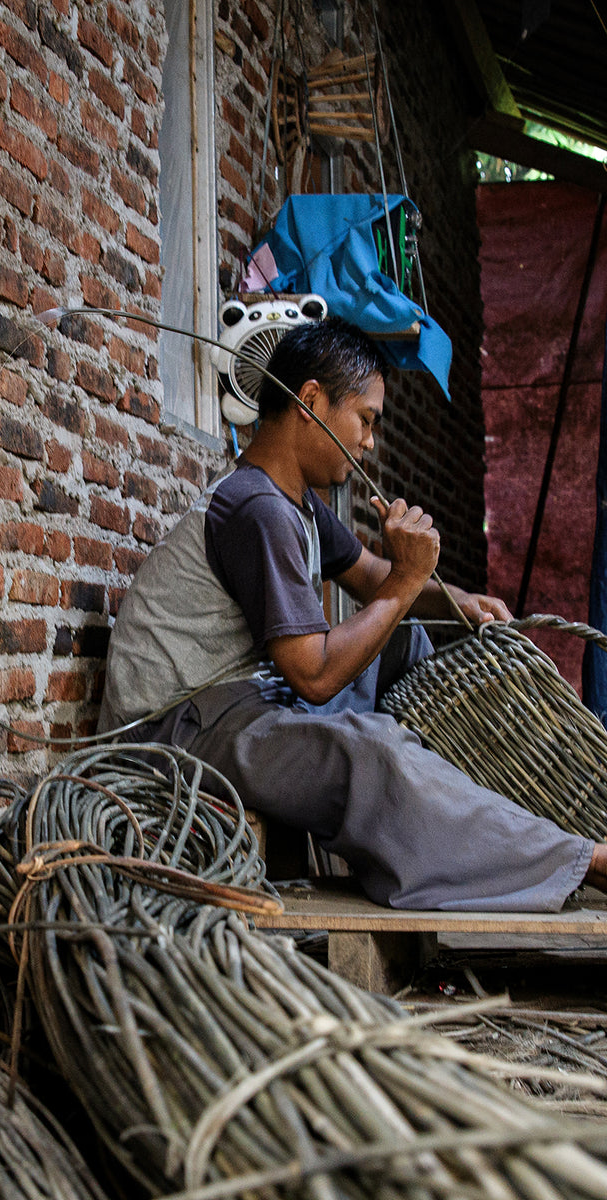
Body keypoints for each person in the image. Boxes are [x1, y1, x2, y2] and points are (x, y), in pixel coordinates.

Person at [98, 317, 607, 910]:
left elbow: (369, 575)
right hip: (178, 732)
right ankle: (581, 859)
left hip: (239, 704)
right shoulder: (255, 508)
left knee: (406, 640)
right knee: (370, 750)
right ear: (310, 401)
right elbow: (313, 677)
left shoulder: (298, 504)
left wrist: (456, 600)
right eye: (365, 421)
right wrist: (408, 579)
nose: (369, 443)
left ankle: (482, 816)